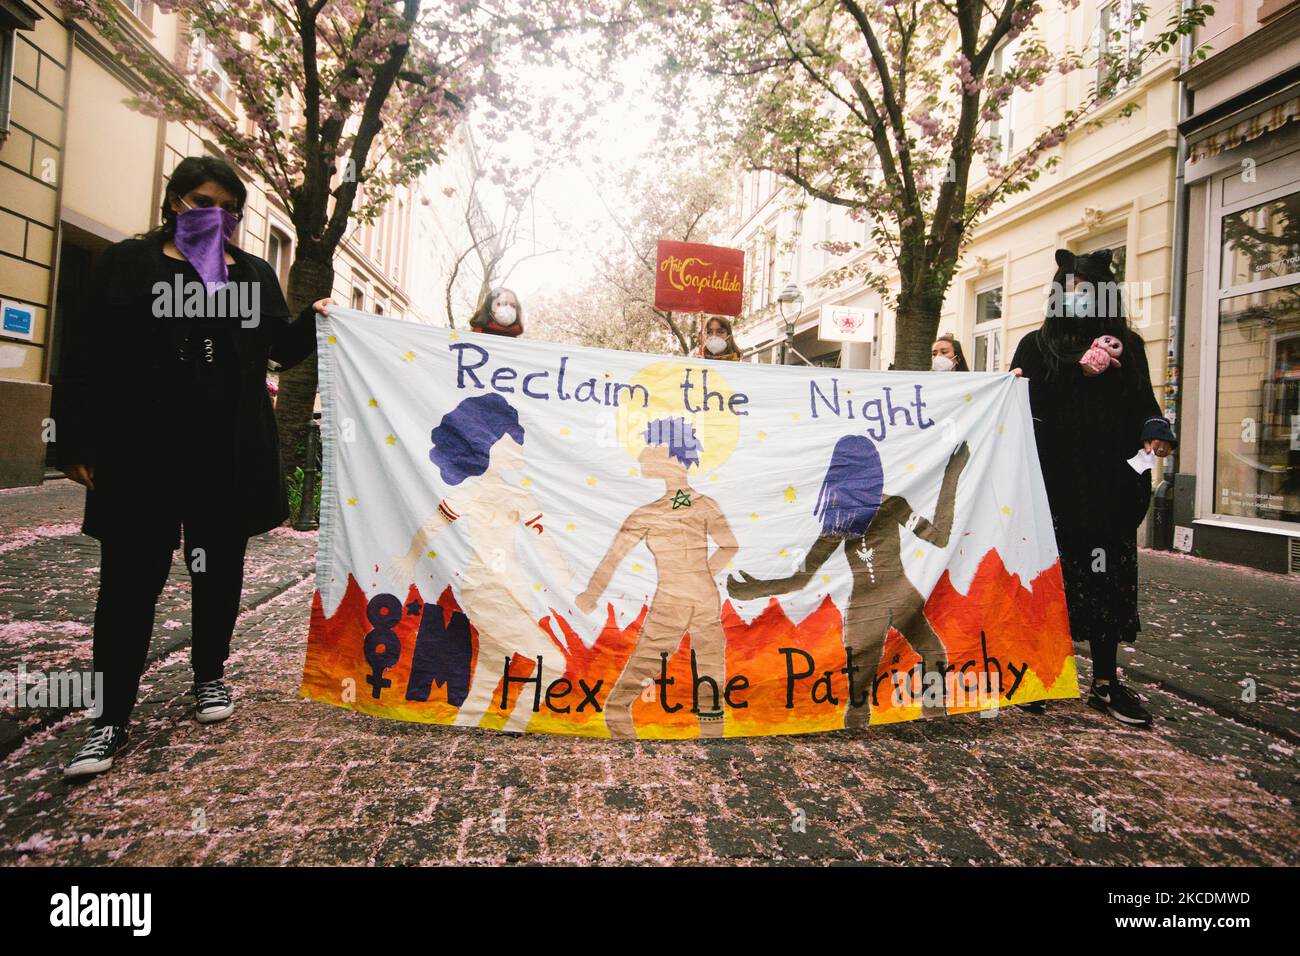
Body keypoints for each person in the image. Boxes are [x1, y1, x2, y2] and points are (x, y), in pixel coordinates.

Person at [52, 155, 332, 778]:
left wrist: (317, 318)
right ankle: (108, 718)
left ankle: (209, 676)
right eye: (203, 202)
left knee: (217, 571)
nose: (217, 217)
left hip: (224, 453)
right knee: (128, 583)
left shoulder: (253, 275)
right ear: (174, 202)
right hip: (139, 454)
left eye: (229, 209)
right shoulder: (128, 264)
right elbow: (88, 352)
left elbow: (279, 351)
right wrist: (75, 441)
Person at [1009, 248, 1175, 728]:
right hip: (1050, 484)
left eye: (1087, 290)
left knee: (1107, 580)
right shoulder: (1036, 345)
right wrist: (1070, 372)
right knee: (1048, 578)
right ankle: (1039, 675)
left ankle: (1105, 683)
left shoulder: (1131, 346)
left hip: (1107, 487)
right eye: (1070, 289)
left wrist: (1154, 429)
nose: (1077, 298)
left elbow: (1143, 401)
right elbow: (1017, 400)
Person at [728, 437, 969, 727]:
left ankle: (928, 717)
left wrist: (754, 589)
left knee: (865, 688)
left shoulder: (852, 518)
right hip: (893, 600)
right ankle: (932, 717)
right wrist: (951, 475)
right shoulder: (873, 512)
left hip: (872, 607)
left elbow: (797, 581)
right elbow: (939, 536)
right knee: (915, 661)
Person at [395, 393, 572, 732]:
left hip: (513, 591)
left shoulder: (520, 496)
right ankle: (518, 723)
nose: (519, 446)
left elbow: (544, 542)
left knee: (492, 667)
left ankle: (471, 721)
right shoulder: (472, 494)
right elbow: (431, 528)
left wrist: (565, 572)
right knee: (553, 661)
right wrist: (408, 559)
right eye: (511, 439)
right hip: (486, 589)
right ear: (490, 444)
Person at [576, 418, 739, 738]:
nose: (642, 456)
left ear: (671, 452)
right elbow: (728, 546)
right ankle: (712, 745)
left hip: (679, 599)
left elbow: (613, 558)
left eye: (651, 447)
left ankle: (636, 746)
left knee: (627, 696)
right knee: (706, 679)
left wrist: (590, 595)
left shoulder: (652, 513)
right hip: (699, 597)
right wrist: (702, 573)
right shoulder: (698, 506)